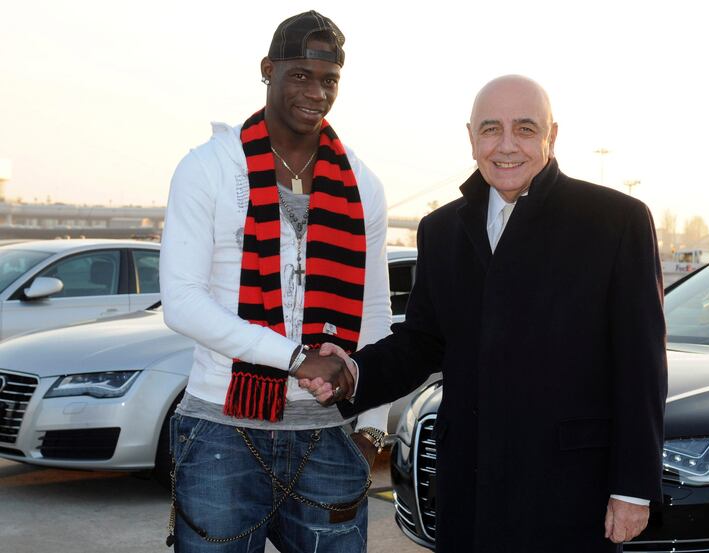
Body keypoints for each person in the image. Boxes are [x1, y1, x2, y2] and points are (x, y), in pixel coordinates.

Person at [303, 75, 668, 552]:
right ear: (472, 137)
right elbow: (422, 342)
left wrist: (632, 488)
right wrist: (353, 371)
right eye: (492, 129)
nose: (507, 145)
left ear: (551, 136)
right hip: (470, 491)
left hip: (572, 494)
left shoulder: (615, 221)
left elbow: (641, 366)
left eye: (525, 128)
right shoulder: (442, 230)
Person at [159, 10, 391, 552]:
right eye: (301, 75)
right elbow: (183, 304)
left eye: (329, 79)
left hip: (333, 433)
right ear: (268, 69)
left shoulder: (362, 184)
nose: (316, 91)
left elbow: (375, 312)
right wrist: (294, 358)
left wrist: (372, 429)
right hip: (222, 427)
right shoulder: (210, 167)